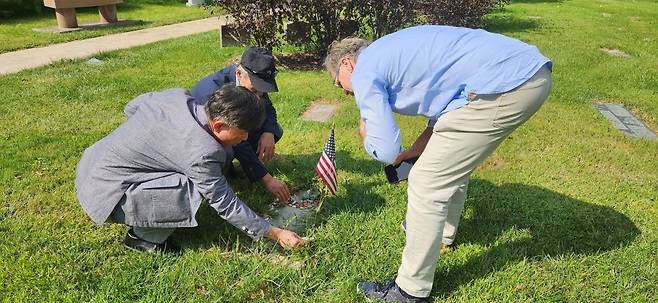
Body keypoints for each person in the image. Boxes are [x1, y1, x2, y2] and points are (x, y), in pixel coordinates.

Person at [325, 25, 552, 302]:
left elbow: (385, 149)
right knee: (447, 165)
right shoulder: (388, 53)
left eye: (339, 84)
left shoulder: (365, 70)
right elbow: (447, 113)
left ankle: (410, 291)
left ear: (346, 64)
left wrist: (367, 138)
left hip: (507, 84)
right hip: (525, 73)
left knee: (427, 181)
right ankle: (442, 235)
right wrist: (413, 152)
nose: (346, 93)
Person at [75, 85, 305, 254]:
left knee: (222, 156)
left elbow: (132, 106)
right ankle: (143, 239)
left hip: (90, 168)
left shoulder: (178, 97)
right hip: (108, 195)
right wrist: (274, 232)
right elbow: (225, 203)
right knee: (193, 188)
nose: (245, 138)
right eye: (243, 133)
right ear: (218, 125)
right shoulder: (201, 153)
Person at [191, 46, 290, 203]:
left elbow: (268, 108)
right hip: (204, 141)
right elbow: (236, 140)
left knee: (276, 130)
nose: (259, 96)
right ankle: (220, 173)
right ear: (239, 74)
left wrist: (268, 133)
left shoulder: (253, 85)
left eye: (262, 92)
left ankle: (244, 165)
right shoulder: (212, 92)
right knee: (229, 152)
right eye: (255, 90)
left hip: (231, 131)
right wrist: (267, 179)